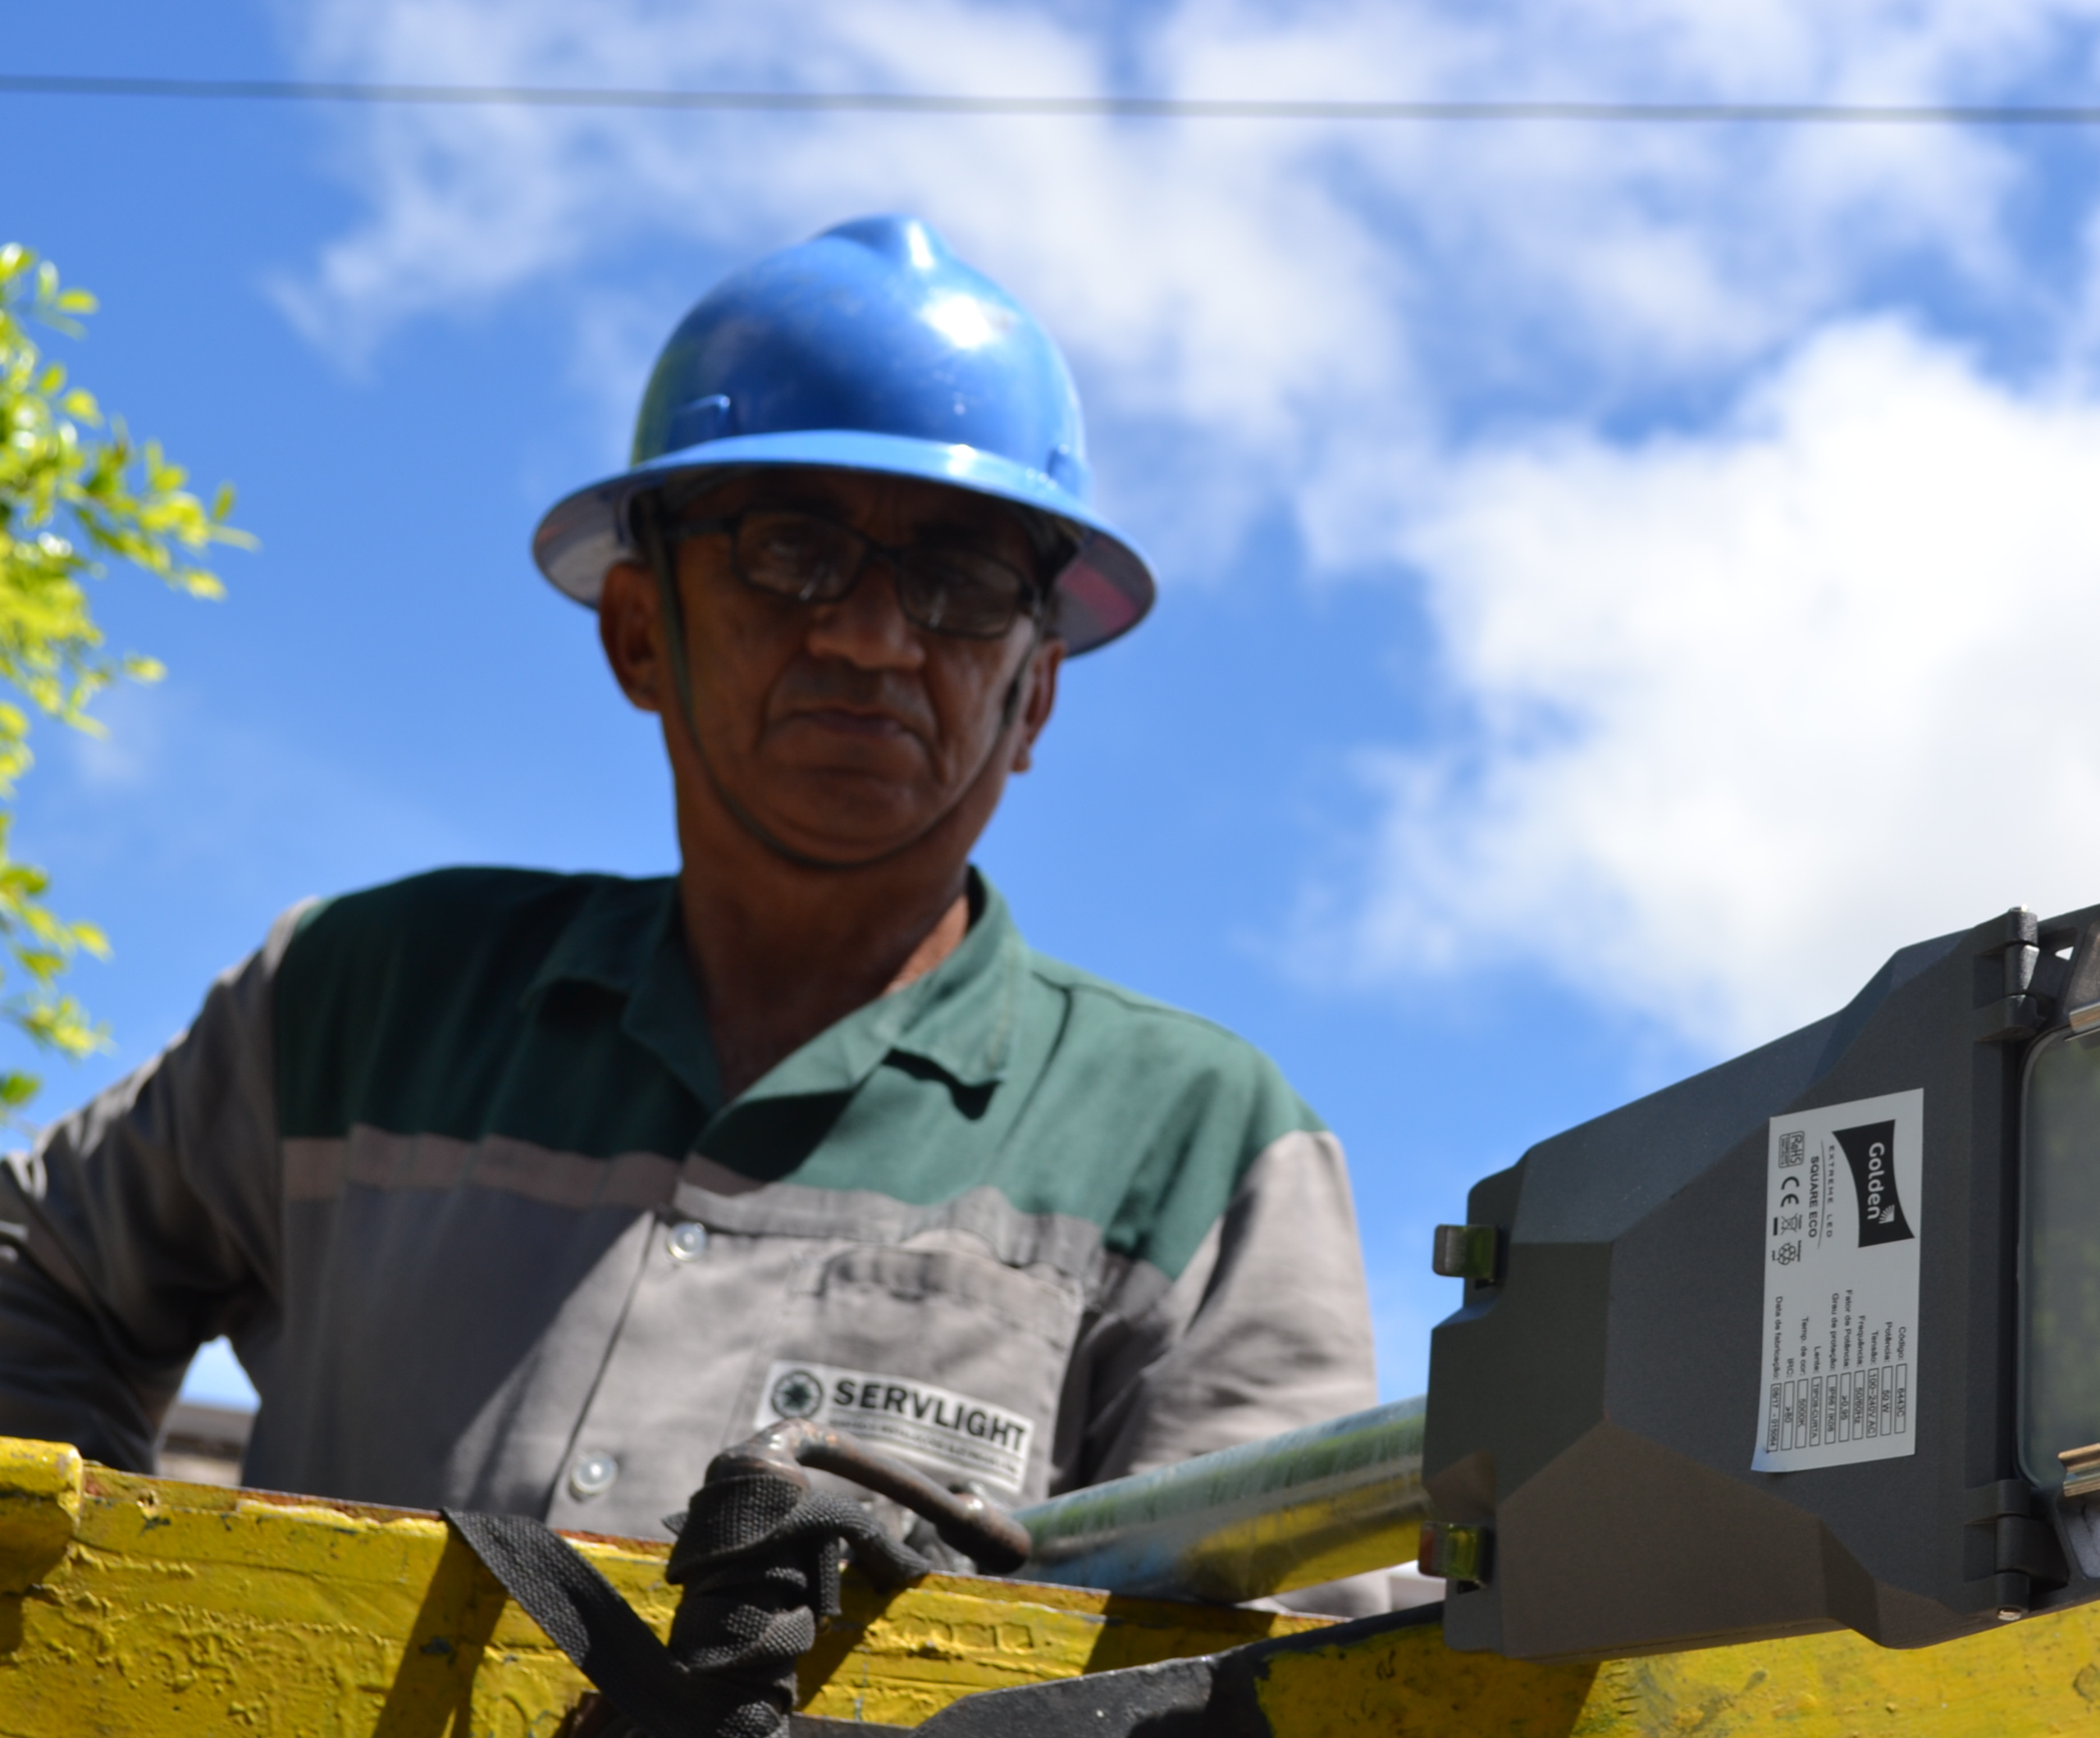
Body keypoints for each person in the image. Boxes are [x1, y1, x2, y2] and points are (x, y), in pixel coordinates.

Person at [0, 216, 1379, 1555]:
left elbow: (1280, 1669)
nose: (868, 633)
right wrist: (99, 1621)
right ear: (639, 630)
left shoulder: (1201, 1150)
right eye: (791, 549)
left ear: (1034, 697)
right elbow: (31, 1276)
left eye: (959, 577)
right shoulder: (355, 1003)